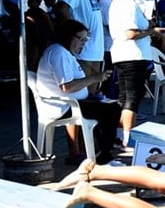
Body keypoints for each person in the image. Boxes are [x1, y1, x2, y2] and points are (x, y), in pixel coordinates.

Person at [36, 19, 121, 165]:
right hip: (61, 106)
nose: (83, 43)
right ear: (67, 36)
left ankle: (96, 151)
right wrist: (95, 78)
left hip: (72, 102)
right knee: (111, 111)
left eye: (85, 39)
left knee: (108, 105)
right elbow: (66, 87)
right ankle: (103, 155)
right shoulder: (59, 53)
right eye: (80, 39)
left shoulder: (65, 53)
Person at [109, 0, 164, 150]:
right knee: (132, 97)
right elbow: (130, 33)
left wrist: (149, 25)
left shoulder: (120, 2)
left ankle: (118, 136)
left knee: (124, 96)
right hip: (132, 56)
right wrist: (152, 32)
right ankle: (127, 138)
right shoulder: (127, 3)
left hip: (122, 55)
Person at [54, 0, 106, 98]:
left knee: (93, 94)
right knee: (84, 96)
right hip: (85, 50)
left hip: (95, 49)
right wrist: (74, 31)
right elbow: (61, 8)